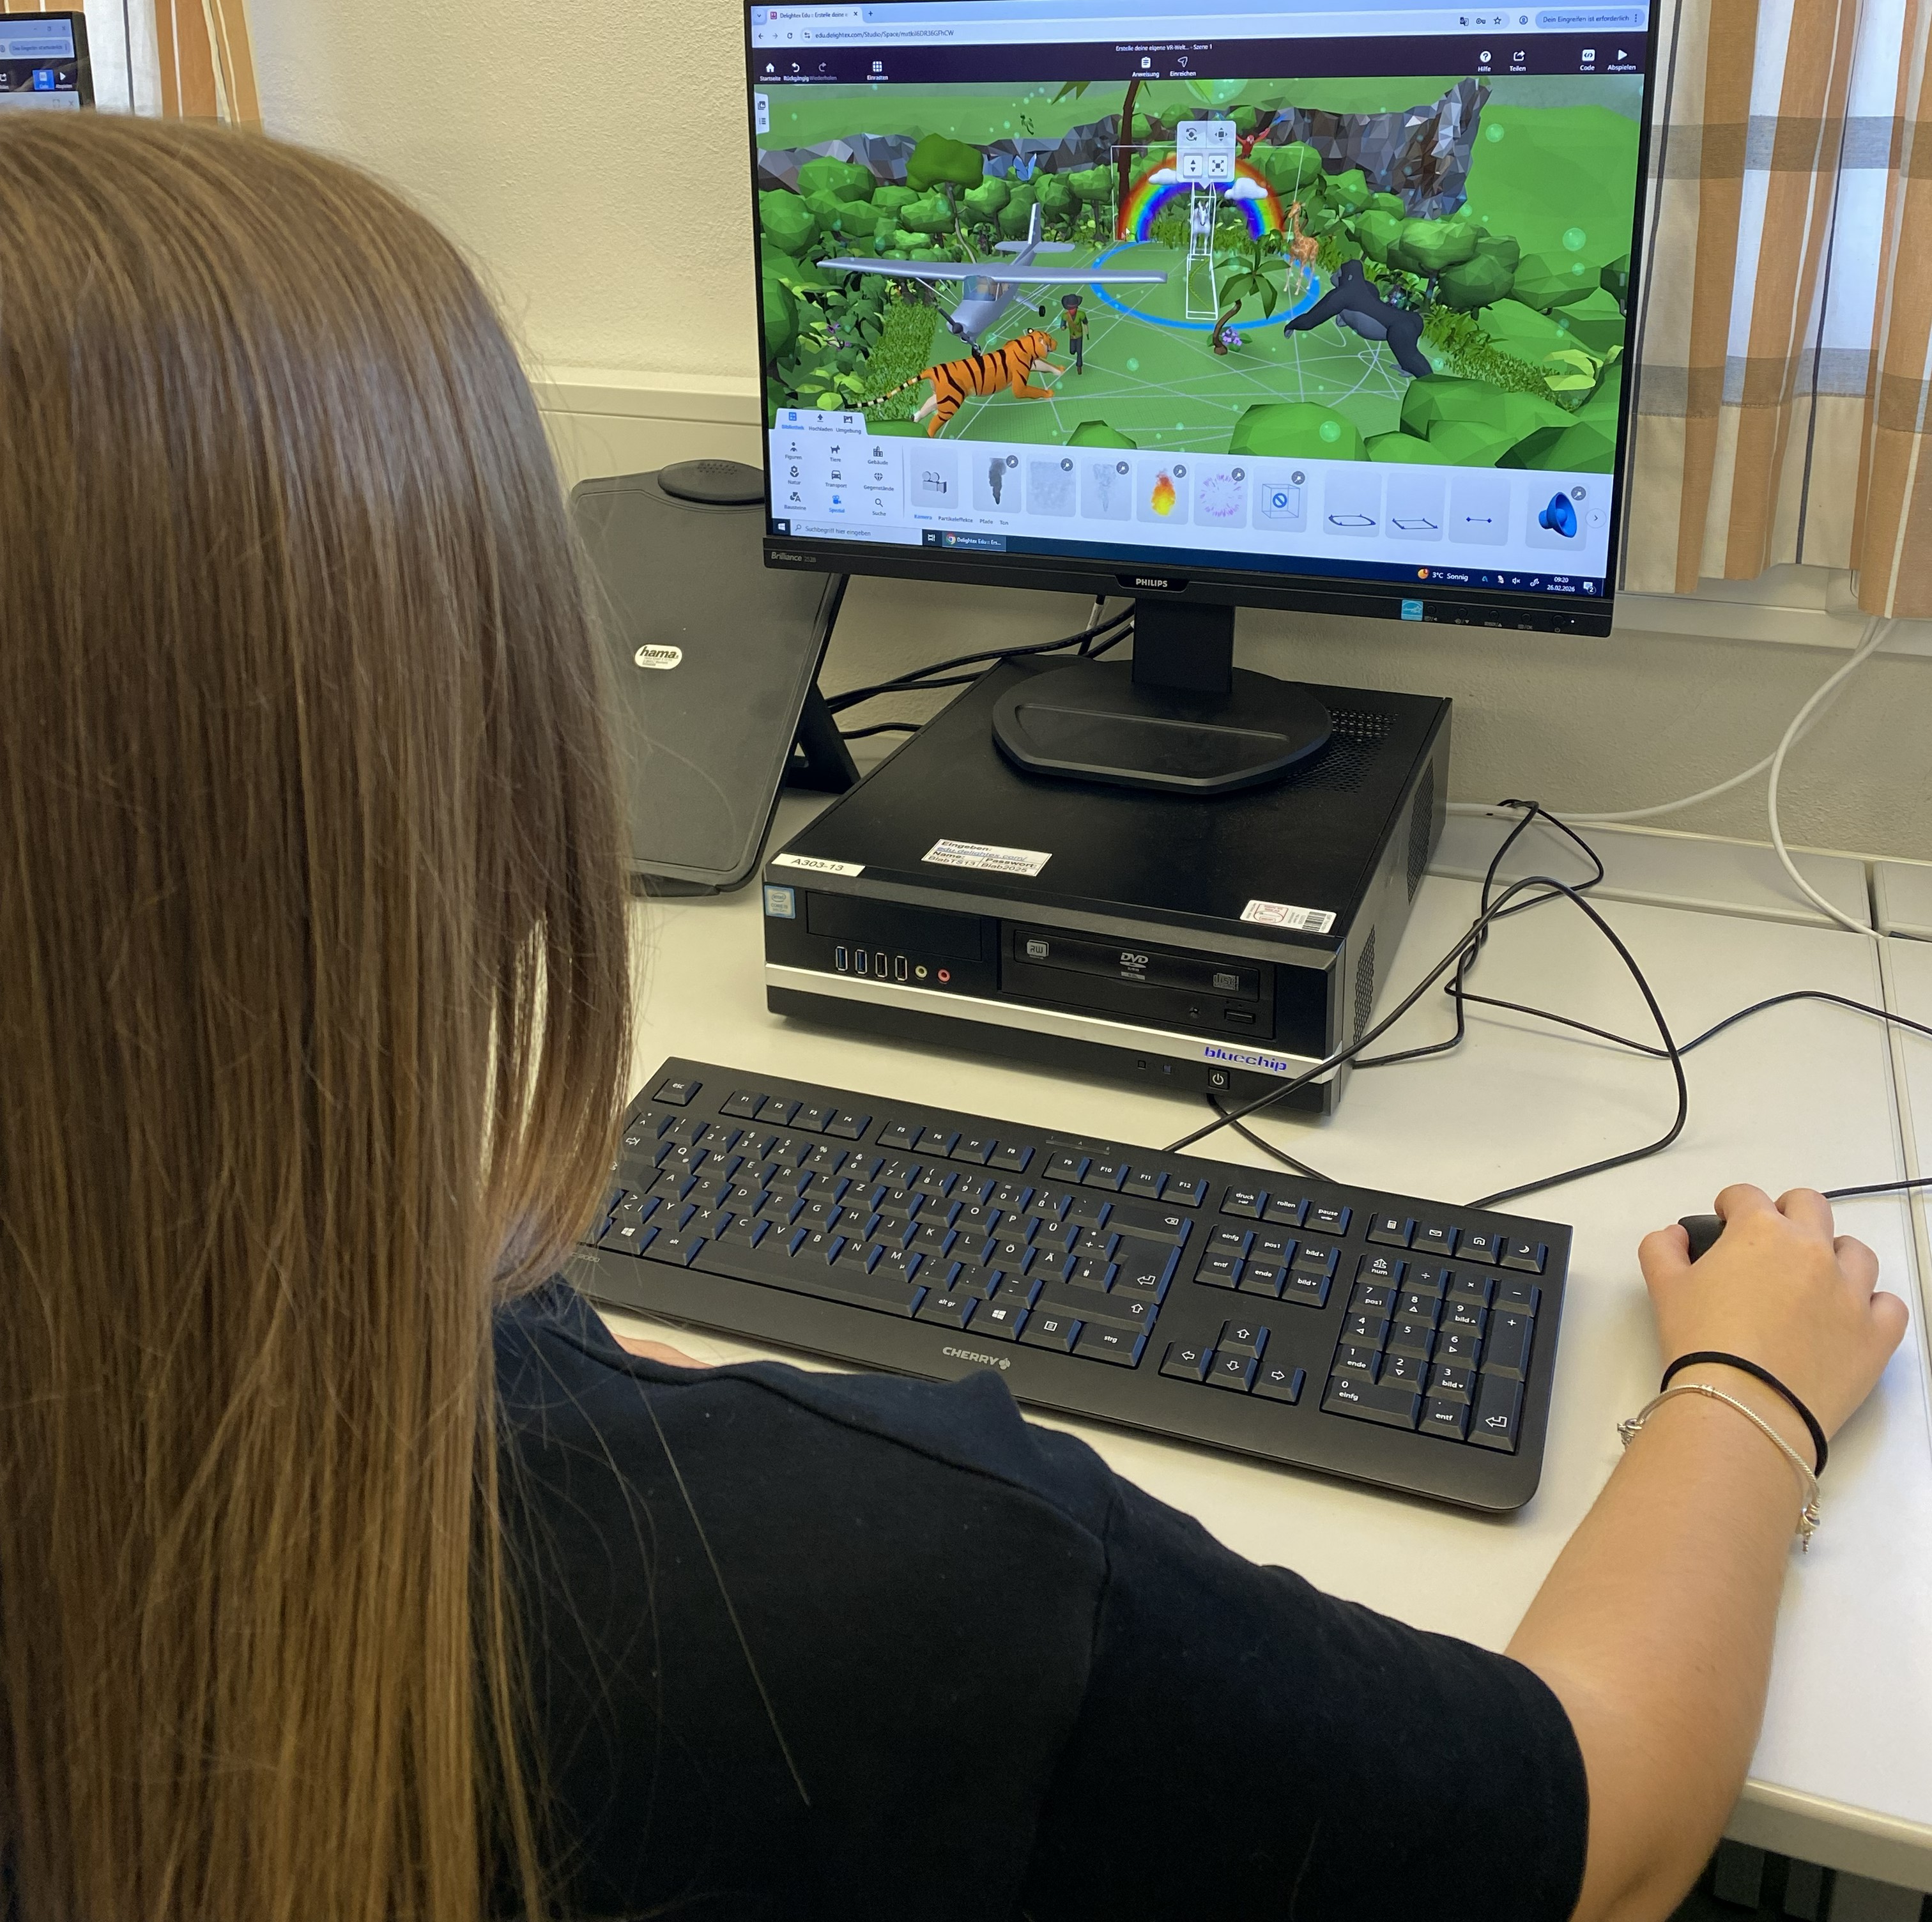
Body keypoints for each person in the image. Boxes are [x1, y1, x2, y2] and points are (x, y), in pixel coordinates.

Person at [0, 116, 1905, 1922]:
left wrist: (557, 1347)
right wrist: (1751, 1391)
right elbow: (1603, 1833)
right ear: (497, 760)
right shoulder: (909, 1573)